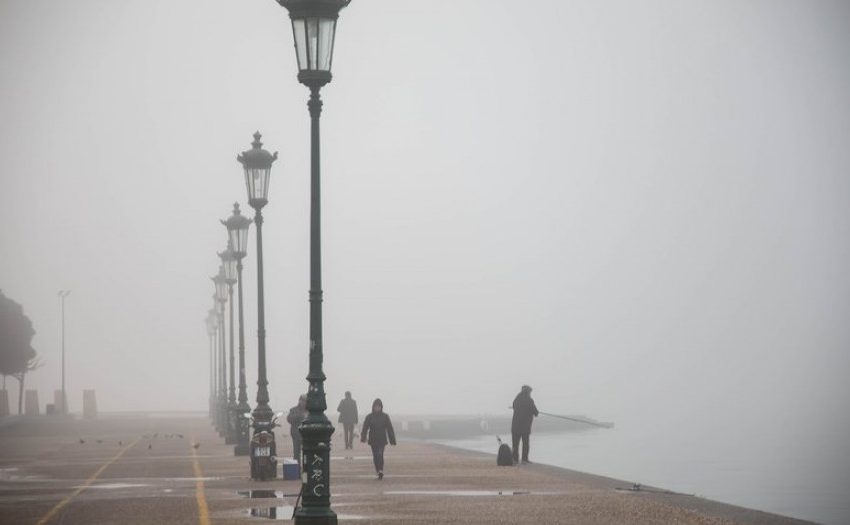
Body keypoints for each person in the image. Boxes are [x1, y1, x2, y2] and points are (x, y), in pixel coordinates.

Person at [360, 398, 396, 480]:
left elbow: (389, 428)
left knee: (380, 454)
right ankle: (377, 470)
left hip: (382, 439)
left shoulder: (385, 416)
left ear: (381, 407)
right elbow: (365, 428)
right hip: (373, 439)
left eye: (379, 407)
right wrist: (363, 437)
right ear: (373, 407)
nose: (377, 408)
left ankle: (381, 470)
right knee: (375, 456)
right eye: (376, 406)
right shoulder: (369, 417)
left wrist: (392, 440)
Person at [511, 385, 538, 464]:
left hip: (515, 426)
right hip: (525, 427)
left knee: (515, 444)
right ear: (528, 392)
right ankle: (524, 459)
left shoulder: (516, 399)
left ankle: (515, 459)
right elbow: (535, 412)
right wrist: (536, 412)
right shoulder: (529, 400)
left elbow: (514, 407)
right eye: (530, 392)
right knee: (525, 444)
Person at [287, 394, 308, 464]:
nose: (304, 402)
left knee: (307, 452)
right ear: (299, 401)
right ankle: (297, 468)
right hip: (296, 434)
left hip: (308, 435)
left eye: (305, 401)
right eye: (303, 401)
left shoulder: (310, 410)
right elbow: (289, 419)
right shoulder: (293, 410)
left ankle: (306, 467)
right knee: (296, 452)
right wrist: (300, 416)